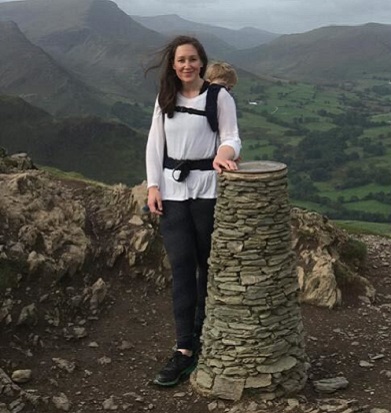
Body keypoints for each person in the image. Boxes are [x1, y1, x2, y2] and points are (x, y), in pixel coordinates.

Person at [144, 35, 241, 387]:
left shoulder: (219, 97)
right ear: (173, 64)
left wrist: (223, 155)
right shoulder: (165, 98)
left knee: (207, 267)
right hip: (172, 194)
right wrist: (153, 185)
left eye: (193, 59)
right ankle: (185, 348)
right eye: (181, 60)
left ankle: (207, 336)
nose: (187, 65)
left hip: (206, 191)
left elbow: (232, 137)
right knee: (183, 269)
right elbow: (155, 143)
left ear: (202, 62)